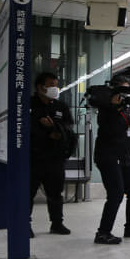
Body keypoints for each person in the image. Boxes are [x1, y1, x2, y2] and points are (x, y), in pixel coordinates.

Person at [93, 74, 130, 245]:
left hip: (124, 158)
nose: (125, 95)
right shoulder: (106, 109)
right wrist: (114, 107)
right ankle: (102, 233)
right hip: (108, 157)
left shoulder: (128, 109)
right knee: (116, 194)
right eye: (123, 91)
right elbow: (108, 129)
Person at [30, 72, 74, 237]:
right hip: (33, 158)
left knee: (55, 193)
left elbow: (68, 127)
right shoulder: (28, 105)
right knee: (29, 193)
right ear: (40, 87)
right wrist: (46, 133)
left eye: (56, 85)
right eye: (51, 85)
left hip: (55, 158)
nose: (55, 89)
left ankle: (57, 223)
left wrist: (54, 129)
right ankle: (25, 224)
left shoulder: (61, 107)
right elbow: (25, 129)